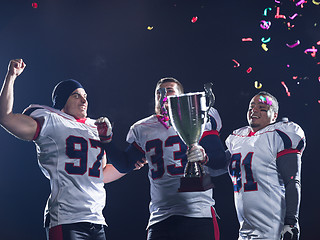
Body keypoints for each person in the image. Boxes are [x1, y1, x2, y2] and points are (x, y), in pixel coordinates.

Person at [0, 59, 144, 240]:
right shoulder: (51, 120)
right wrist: (11, 76)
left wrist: (129, 163)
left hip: (96, 219)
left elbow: (101, 175)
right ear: (62, 100)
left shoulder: (96, 127)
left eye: (85, 96)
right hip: (65, 217)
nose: (83, 100)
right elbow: (5, 118)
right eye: (76, 95)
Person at [95, 77, 228, 240]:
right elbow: (125, 165)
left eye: (170, 90)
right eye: (159, 92)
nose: (164, 94)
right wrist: (106, 141)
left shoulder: (201, 118)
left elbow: (221, 161)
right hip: (160, 217)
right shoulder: (143, 128)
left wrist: (204, 157)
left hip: (198, 213)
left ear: (182, 95)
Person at [225, 91, 306, 240]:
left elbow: (292, 181)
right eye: (251, 107)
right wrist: (202, 156)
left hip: (272, 229)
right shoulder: (237, 139)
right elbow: (217, 167)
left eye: (262, 108)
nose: (254, 110)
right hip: (244, 231)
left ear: (274, 116)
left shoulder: (279, 135)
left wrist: (291, 222)